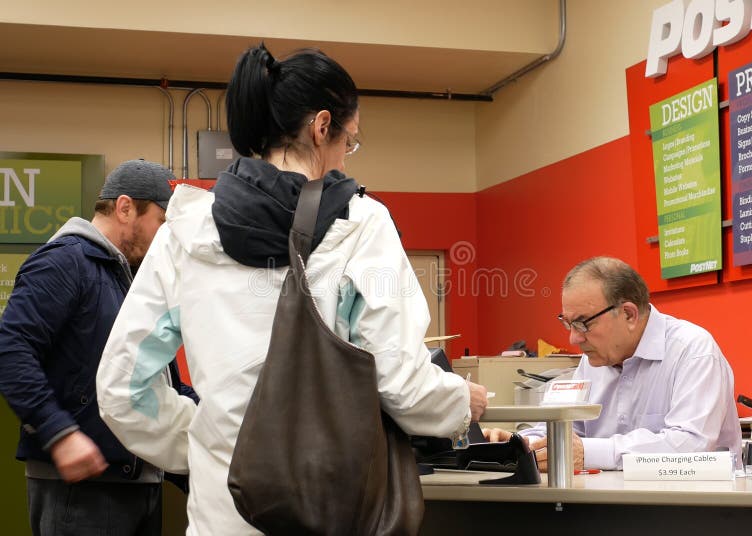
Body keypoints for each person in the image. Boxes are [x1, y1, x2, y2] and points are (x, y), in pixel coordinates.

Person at [95, 43, 488, 536]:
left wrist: (208, 441)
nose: (347, 155)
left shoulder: (184, 230)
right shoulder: (361, 224)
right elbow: (401, 384)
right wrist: (461, 401)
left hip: (222, 515)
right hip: (332, 508)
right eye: (350, 140)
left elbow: (122, 390)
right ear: (322, 126)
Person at [0, 159, 198, 536]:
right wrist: (60, 433)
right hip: (81, 491)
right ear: (125, 208)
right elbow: (11, 347)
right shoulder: (64, 262)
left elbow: (164, 383)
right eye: (161, 221)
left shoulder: (130, 281)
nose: (166, 237)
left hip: (139, 483)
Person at [484, 256, 742, 471]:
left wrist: (588, 452)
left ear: (629, 314)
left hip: (693, 513)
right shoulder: (593, 359)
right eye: (568, 323)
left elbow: (689, 445)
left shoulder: (693, 351)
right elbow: (567, 429)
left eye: (584, 323)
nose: (574, 337)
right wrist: (522, 444)